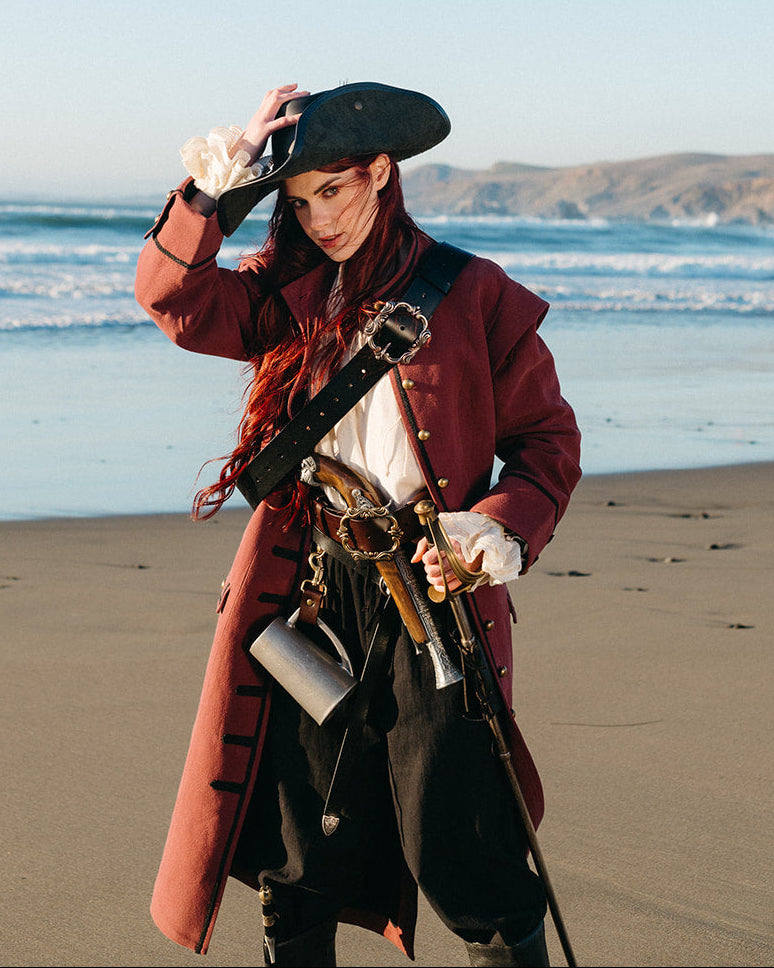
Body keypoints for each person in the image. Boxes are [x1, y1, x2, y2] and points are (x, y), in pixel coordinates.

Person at [135, 82, 582, 967]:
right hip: (311, 586)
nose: (319, 219)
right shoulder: (283, 291)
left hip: (434, 591)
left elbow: (547, 440)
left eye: (332, 191)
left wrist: (498, 527)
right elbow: (176, 300)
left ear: (380, 173)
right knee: (295, 858)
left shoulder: (475, 292)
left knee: (465, 854)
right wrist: (214, 195)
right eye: (298, 202)